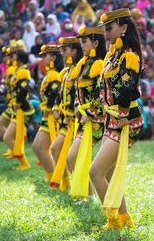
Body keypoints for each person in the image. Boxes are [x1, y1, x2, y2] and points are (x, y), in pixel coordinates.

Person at [88, 8, 144, 229]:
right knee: (108, 173)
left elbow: (128, 88)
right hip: (112, 119)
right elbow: (106, 85)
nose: (106, 33)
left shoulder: (129, 55)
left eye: (109, 28)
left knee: (96, 172)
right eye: (105, 29)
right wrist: (103, 105)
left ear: (123, 28)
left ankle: (113, 221)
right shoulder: (113, 55)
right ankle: (124, 219)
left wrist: (120, 116)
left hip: (125, 121)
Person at [66, 27, 106, 197]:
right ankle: (88, 195)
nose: (81, 45)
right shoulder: (83, 64)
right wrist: (76, 105)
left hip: (95, 119)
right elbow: (78, 90)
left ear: (95, 43)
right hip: (84, 118)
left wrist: (88, 113)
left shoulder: (98, 64)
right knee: (73, 157)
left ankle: (89, 195)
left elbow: (101, 92)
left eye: (84, 41)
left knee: (74, 156)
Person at [48, 36, 83, 191]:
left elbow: (79, 94)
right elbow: (59, 93)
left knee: (74, 156)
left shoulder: (79, 70)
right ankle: (67, 183)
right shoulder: (66, 71)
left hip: (76, 120)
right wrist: (55, 107)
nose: (61, 52)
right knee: (55, 148)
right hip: (65, 120)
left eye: (65, 49)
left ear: (74, 51)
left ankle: (79, 186)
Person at [32, 45, 64, 178]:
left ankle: (55, 179)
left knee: (43, 149)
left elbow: (56, 93)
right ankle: (52, 177)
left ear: (54, 57)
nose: (43, 58)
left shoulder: (55, 75)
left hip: (53, 116)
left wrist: (49, 107)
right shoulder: (50, 74)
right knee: (36, 147)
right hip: (47, 116)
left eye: (46, 55)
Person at [3, 49, 35, 170]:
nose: (13, 57)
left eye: (15, 55)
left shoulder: (24, 72)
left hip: (23, 109)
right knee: (11, 137)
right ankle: (22, 162)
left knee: (7, 137)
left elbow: (24, 89)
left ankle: (24, 163)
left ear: (20, 57)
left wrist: (17, 102)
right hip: (17, 108)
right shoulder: (19, 70)